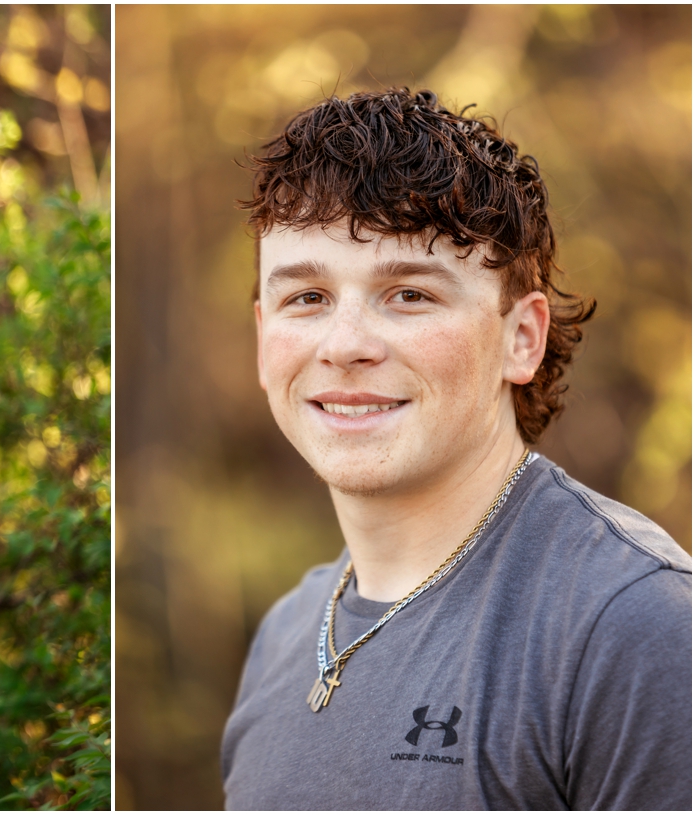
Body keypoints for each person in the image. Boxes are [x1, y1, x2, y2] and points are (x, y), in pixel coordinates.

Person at [220, 88, 692, 810]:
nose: (344, 345)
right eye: (306, 297)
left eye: (409, 294)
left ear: (521, 337)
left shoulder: (635, 626)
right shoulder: (284, 632)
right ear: (263, 337)